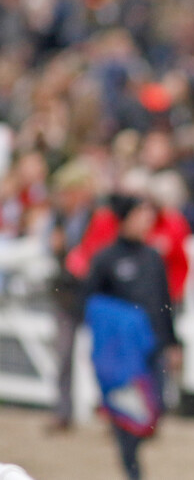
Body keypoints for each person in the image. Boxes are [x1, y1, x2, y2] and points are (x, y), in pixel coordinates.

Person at [83, 195, 181, 479]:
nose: (146, 221)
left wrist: (174, 343)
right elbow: (90, 304)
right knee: (124, 415)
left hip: (154, 348)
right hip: (121, 355)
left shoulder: (153, 257)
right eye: (140, 215)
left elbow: (165, 303)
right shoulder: (105, 259)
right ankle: (132, 471)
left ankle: (133, 449)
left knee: (156, 409)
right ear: (125, 219)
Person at [45, 159, 96, 431]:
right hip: (66, 295)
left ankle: (109, 414)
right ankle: (63, 411)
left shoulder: (97, 216)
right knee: (63, 354)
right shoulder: (58, 218)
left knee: (100, 355)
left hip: (92, 294)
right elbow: (52, 251)